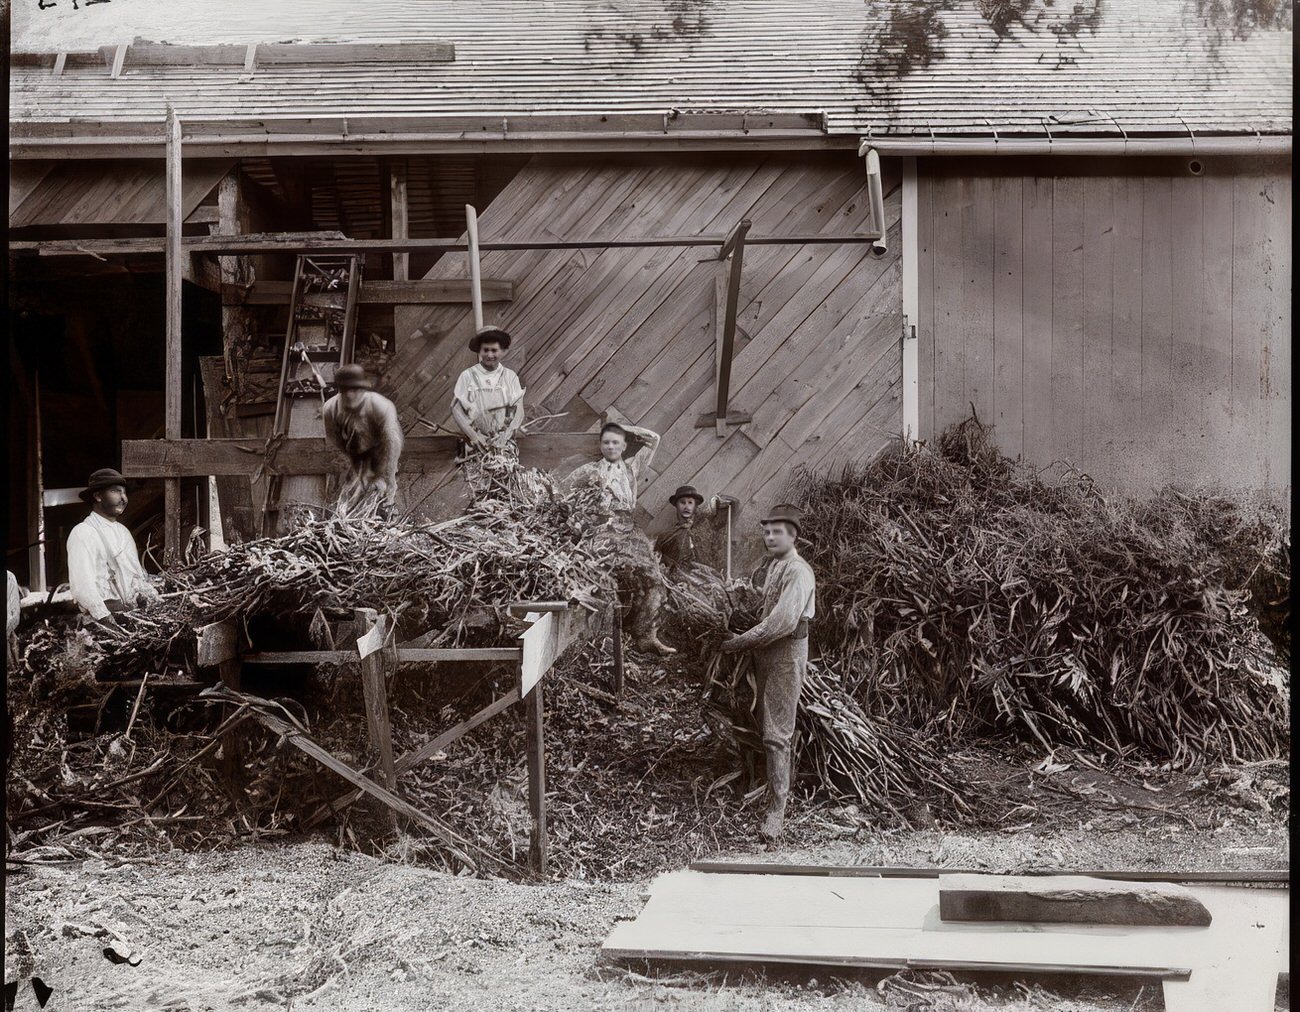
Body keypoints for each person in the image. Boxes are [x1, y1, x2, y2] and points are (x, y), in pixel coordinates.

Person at [719, 503, 816, 841]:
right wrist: (744, 594)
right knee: (759, 723)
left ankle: (776, 813)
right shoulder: (776, 566)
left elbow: (782, 621)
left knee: (777, 734)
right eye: (767, 531)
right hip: (766, 651)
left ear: (793, 535)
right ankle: (754, 785)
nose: (769, 537)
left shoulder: (799, 571)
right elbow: (767, 604)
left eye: (777, 532)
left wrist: (738, 643)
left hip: (786, 652)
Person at [568, 417, 674, 655]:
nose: (611, 447)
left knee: (653, 579)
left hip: (628, 531)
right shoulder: (588, 471)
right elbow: (566, 496)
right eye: (606, 442)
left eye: (617, 443)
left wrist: (623, 429)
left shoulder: (631, 468)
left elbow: (653, 439)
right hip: (601, 531)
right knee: (602, 580)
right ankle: (598, 642)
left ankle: (646, 636)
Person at [66, 468, 161, 631]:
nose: (123, 498)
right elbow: (82, 587)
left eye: (124, 493)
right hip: (99, 621)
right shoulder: (82, 533)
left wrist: (155, 598)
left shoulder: (124, 533)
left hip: (130, 615)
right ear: (97, 496)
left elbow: (136, 577)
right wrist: (105, 619)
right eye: (116, 491)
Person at [322, 364, 404, 518]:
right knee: (351, 497)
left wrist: (388, 476)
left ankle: (388, 513)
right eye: (347, 390)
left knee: (382, 491)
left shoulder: (381, 406)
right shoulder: (330, 409)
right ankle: (346, 519)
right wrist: (351, 460)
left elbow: (392, 443)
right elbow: (334, 439)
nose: (352, 395)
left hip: (383, 446)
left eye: (356, 390)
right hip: (355, 449)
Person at [654, 485, 739, 572]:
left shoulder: (704, 526)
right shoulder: (668, 536)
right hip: (679, 577)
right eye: (682, 503)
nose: (686, 507)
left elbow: (734, 503)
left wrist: (718, 500)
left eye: (690, 503)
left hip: (706, 575)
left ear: (695, 506)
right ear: (676, 505)